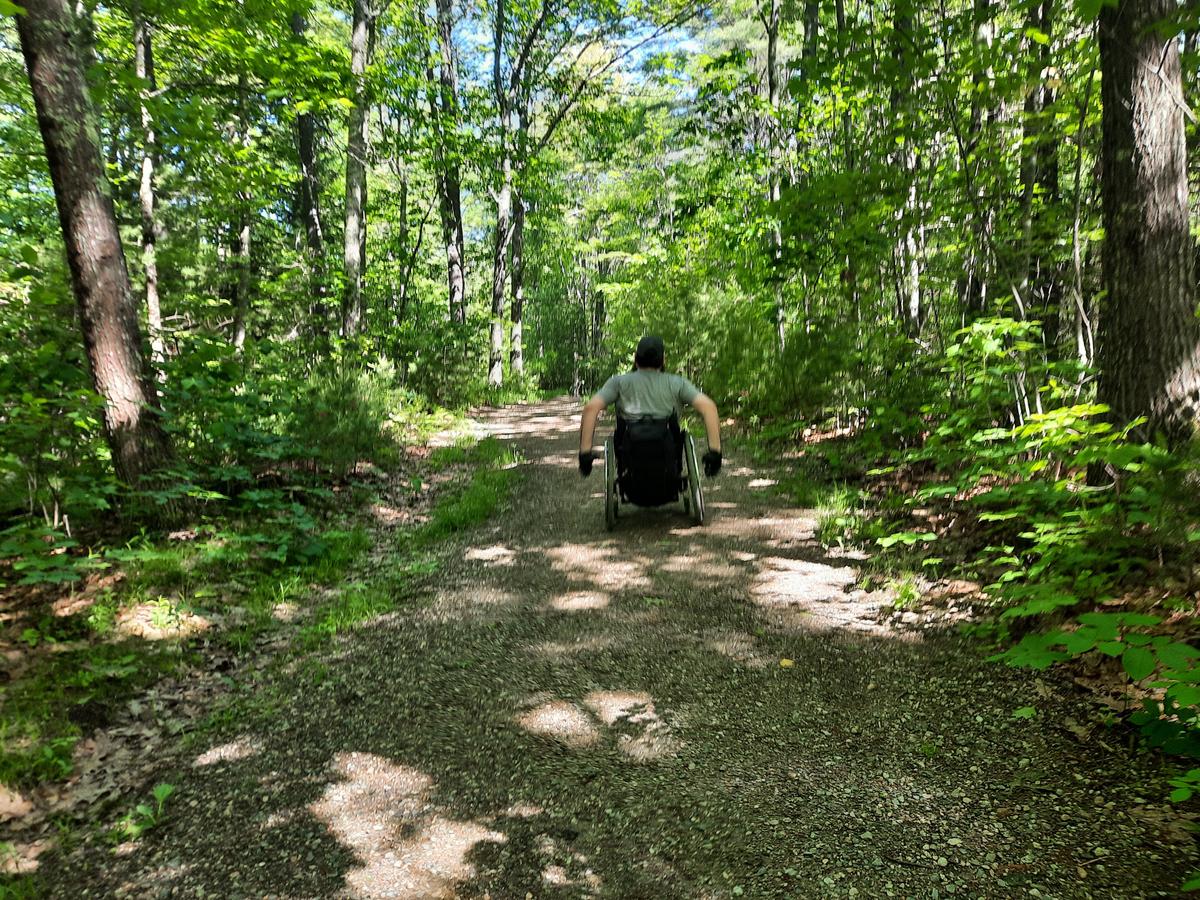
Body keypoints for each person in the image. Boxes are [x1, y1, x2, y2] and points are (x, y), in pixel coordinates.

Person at [577, 335, 722, 479]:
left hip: (630, 451)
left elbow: (591, 408)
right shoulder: (677, 383)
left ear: (636, 359)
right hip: (667, 451)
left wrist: (585, 454)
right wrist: (715, 453)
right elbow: (708, 407)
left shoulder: (618, 383)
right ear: (663, 360)